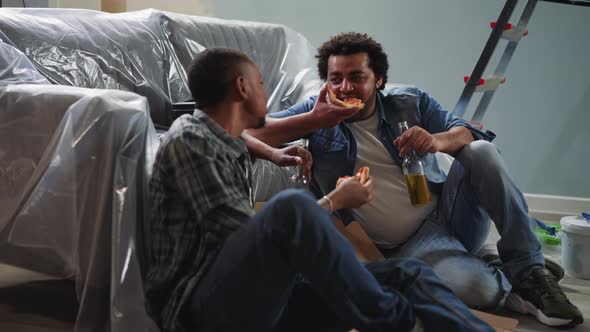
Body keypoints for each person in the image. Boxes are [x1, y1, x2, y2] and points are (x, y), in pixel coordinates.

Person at [143, 47, 493, 332]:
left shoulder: (220, 140)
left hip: (259, 297)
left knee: (407, 274)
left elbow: (244, 139)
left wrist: (275, 153)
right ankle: (394, 322)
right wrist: (332, 202)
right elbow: (242, 240)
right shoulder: (191, 140)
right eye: (262, 84)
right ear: (242, 88)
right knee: (292, 207)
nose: (266, 93)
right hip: (200, 312)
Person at [247, 32, 583, 328]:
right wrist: (311, 121)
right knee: (479, 290)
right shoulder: (315, 112)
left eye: (356, 77)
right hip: (395, 248)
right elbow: (248, 133)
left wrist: (438, 141)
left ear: (378, 79)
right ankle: (498, 268)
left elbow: (468, 133)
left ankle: (528, 268)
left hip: (446, 216)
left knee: (480, 151)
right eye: (335, 79)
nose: (345, 87)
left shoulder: (408, 100)